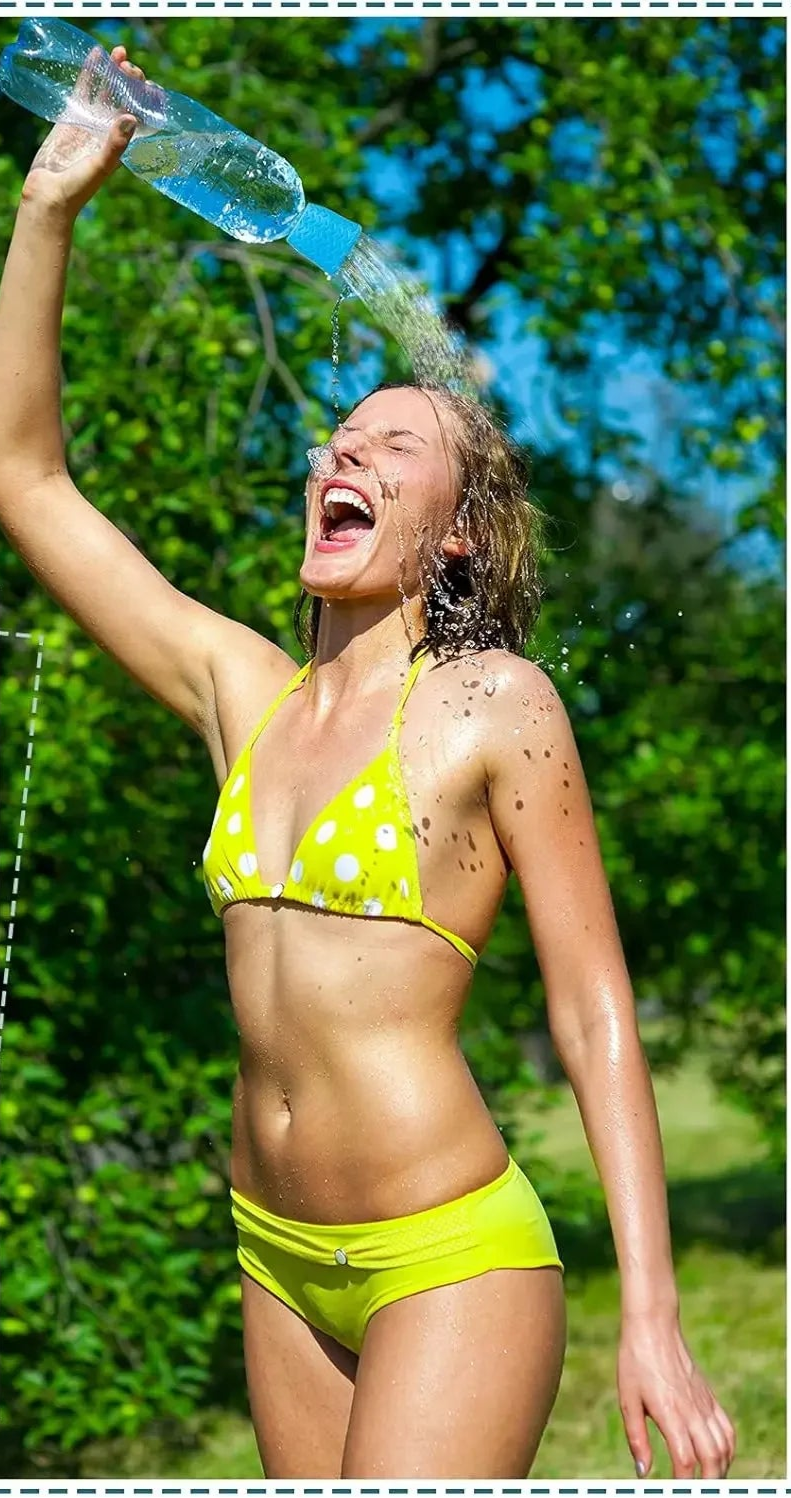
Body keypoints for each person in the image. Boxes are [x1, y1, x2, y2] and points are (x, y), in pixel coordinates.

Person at [0, 45, 737, 1482]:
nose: (345, 454)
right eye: (340, 439)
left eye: (395, 446)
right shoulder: (243, 694)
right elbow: (28, 484)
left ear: (455, 533)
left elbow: (593, 1010)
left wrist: (652, 1312)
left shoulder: (494, 703)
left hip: (449, 1254)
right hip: (272, 1250)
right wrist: (49, 212)